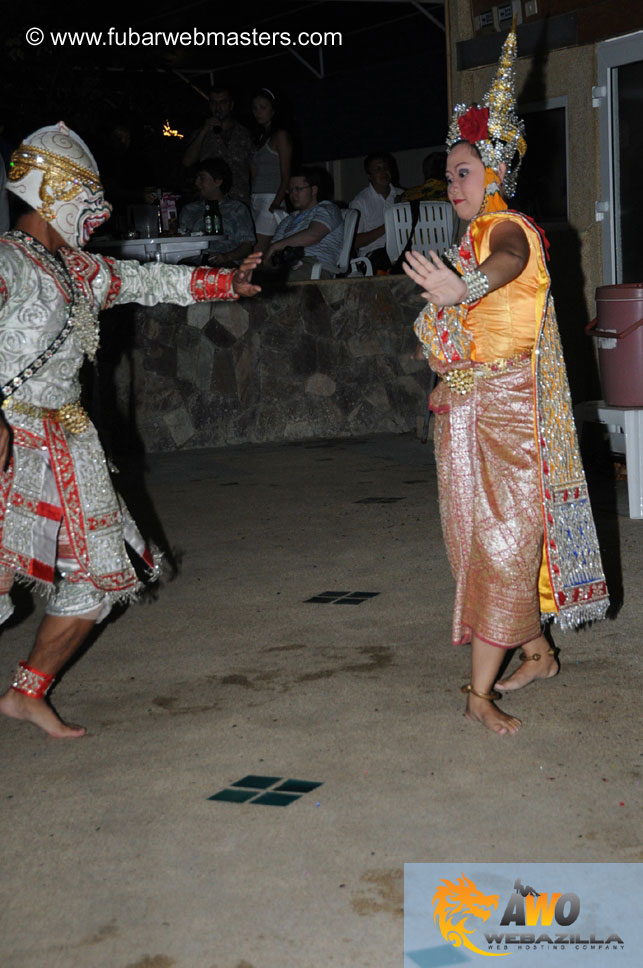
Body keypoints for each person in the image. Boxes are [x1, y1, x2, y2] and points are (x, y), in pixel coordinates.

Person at [0, 122, 261, 739]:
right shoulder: (7, 262)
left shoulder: (79, 269)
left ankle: (25, 694)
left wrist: (226, 282)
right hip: (11, 441)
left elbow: (149, 279)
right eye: (83, 198)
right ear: (49, 193)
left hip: (71, 443)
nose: (94, 214)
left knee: (100, 579)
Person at [403, 27, 609, 735]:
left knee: (502, 546)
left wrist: (462, 290)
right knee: (481, 543)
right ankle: (537, 652)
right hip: (469, 411)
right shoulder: (467, 241)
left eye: (462, 171)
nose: (452, 183)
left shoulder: (504, 228)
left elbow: (510, 263)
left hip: (510, 411)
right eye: (449, 173)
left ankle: (478, 692)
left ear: (493, 174)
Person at [264, 167, 343, 281]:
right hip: (287, 264)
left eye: (298, 189)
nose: (293, 194)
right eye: (290, 189)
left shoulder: (327, 208)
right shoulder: (288, 219)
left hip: (314, 264)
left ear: (314, 190)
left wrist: (276, 246)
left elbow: (313, 235)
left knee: (283, 281)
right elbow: (272, 251)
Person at [182, 87, 254, 204]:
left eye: (223, 102)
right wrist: (204, 131)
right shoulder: (201, 133)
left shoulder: (245, 134)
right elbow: (187, 161)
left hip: (239, 201)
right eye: (214, 103)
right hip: (211, 203)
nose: (218, 107)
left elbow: (255, 169)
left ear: (231, 105)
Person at [179, 157, 255, 267]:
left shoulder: (236, 209)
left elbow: (247, 246)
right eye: (197, 178)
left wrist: (226, 257)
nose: (196, 183)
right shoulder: (190, 210)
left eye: (202, 178)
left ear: (218, 181)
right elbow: (180, 241)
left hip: (225, 264)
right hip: (193, 265)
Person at [250, 88, 293, 253]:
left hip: (271, 198)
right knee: (262, 252)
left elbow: (286, 174)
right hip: (256, 198)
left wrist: (276, 203)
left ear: (273, 110)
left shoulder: (280, 135)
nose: (258, 112)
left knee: (257, 251)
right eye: (255, 108)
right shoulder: (260, 138)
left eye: (263, 107)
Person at [350, 152, 402, 272]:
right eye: (378, 169)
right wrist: (387, 226)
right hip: (373, 257)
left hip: (402, 252)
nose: (383, 172)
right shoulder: (360, 202)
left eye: (385, 168)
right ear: (369, 176)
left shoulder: (402, 195)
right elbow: (354, 242)